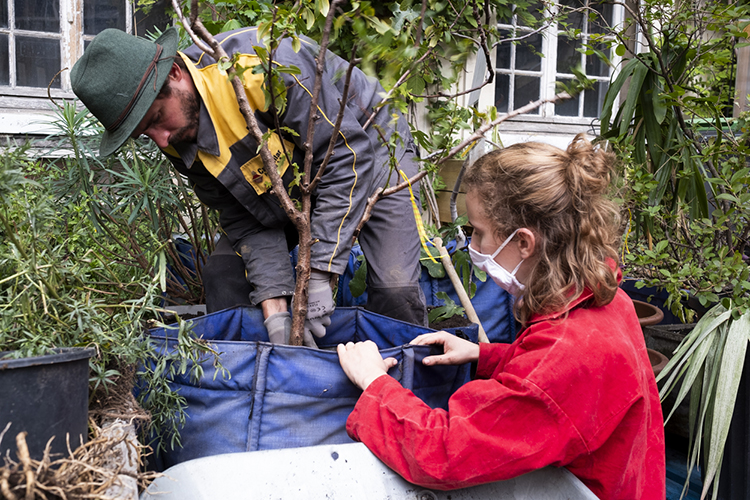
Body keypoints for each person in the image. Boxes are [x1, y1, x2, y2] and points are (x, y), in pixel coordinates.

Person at [337, 135, 666, 499]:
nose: (472, 248)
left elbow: (444, 452)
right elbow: (573, 390)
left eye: (477, 233)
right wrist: (486, 356)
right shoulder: (605, 299)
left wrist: (374, 383)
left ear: (524, 242)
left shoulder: (565, 355)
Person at [70, 27, 427, 346]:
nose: (161, 141)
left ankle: (403, 401)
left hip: (369, 142)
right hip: (286, 172)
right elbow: (243, 215)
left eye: (157, 119)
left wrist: (319, 271)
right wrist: (275, 309)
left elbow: (344, 160)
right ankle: (251, 390)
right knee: (224, 273)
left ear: (176, 73)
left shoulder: (262, 64)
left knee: (395, 291)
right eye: (144, 134)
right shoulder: (177, 136)